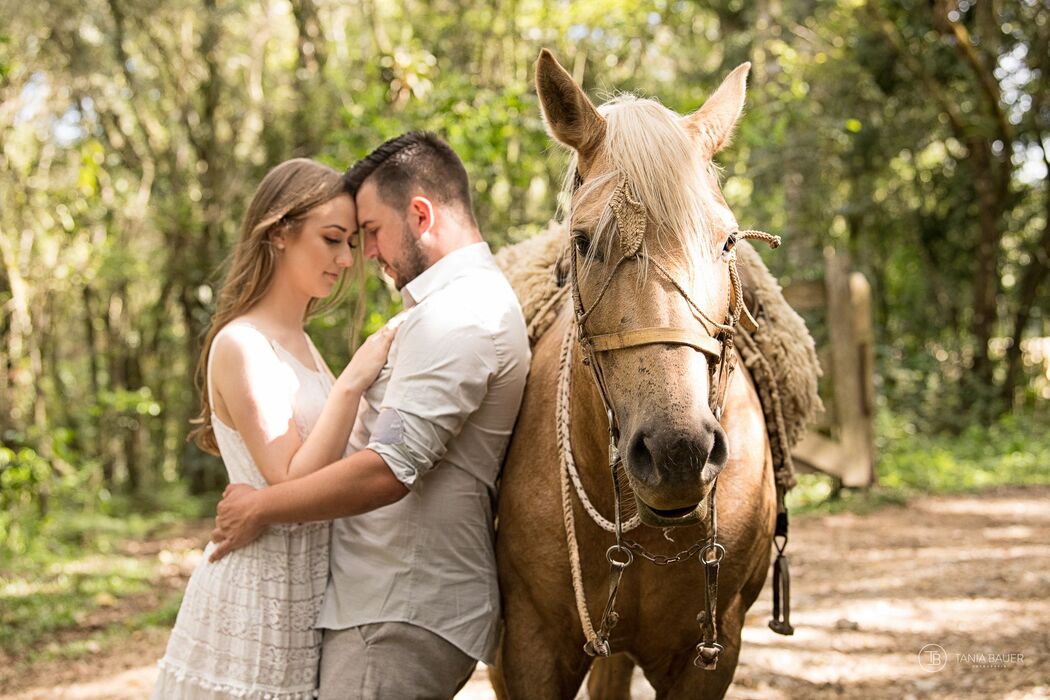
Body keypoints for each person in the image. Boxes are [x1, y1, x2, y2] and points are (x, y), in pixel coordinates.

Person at [209, 132, 531, 699]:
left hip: (395, 611)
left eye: (372, 232)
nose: (367, 255)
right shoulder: (452, 307)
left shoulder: (458, 316)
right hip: (379, 604)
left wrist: (260, 505)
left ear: (421, 214)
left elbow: (388, 469)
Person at [152, 158, 401, 699]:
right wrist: (352, 383)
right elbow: (288, 479)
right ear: (280, 232)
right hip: (254, 597)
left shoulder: (302, 343)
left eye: (351, 244)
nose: (344, 259)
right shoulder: (243, 344)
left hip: (308, 593)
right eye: (331, 239)